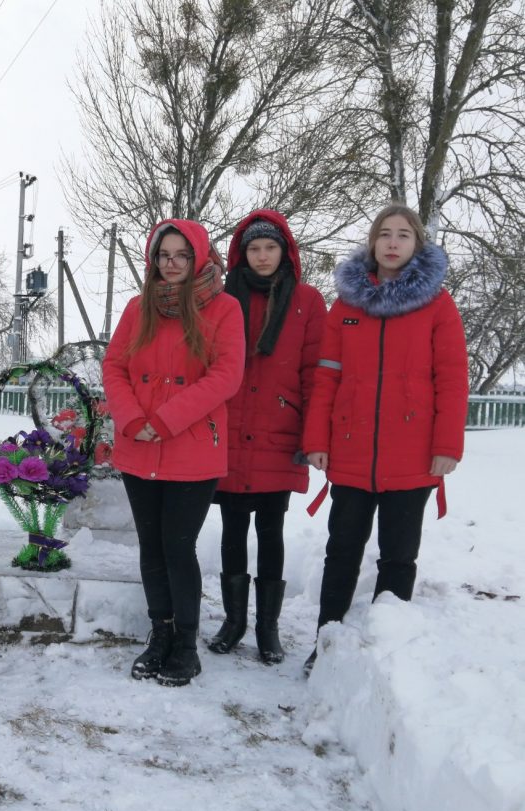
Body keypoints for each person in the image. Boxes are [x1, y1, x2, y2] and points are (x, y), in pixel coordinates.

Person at [302, 204, 468, 672]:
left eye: (404, 235)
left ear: (417, 245)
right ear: (373, 243)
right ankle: (325, 645)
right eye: (384, 234)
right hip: (351, 450)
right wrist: (318, 437)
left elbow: (452, 378)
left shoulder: (438, 304)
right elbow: (327, 378)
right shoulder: (347, 306)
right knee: (342, 552)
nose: (393, 243)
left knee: (398, 557)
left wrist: (446, 447)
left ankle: (384, 657)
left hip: (412, 455)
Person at [103, 219, 245, 687]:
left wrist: (164, 421)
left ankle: (186, 644)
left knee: (178, 547)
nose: (172, 264)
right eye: (164, 255)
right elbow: (116, 366)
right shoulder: (137, 307)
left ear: (198, 258)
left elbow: (226, 375)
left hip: (191, 447)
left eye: (182, 255)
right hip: (138, 445)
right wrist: (130, 419)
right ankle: (159, 634)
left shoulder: (225, 309)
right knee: (151, 547)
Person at [208, 211, 326, 664]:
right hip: (232, 431)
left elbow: (314, 371)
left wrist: (313, 433)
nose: (262, 256)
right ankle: (234, 621)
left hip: (281, 431)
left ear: (285, 252)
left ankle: (267, 628)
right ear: (242, 253)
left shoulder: (308, 302)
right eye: (254, 248)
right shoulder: (223, 299)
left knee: (272, 528)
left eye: (270, 248)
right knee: (233, 527)